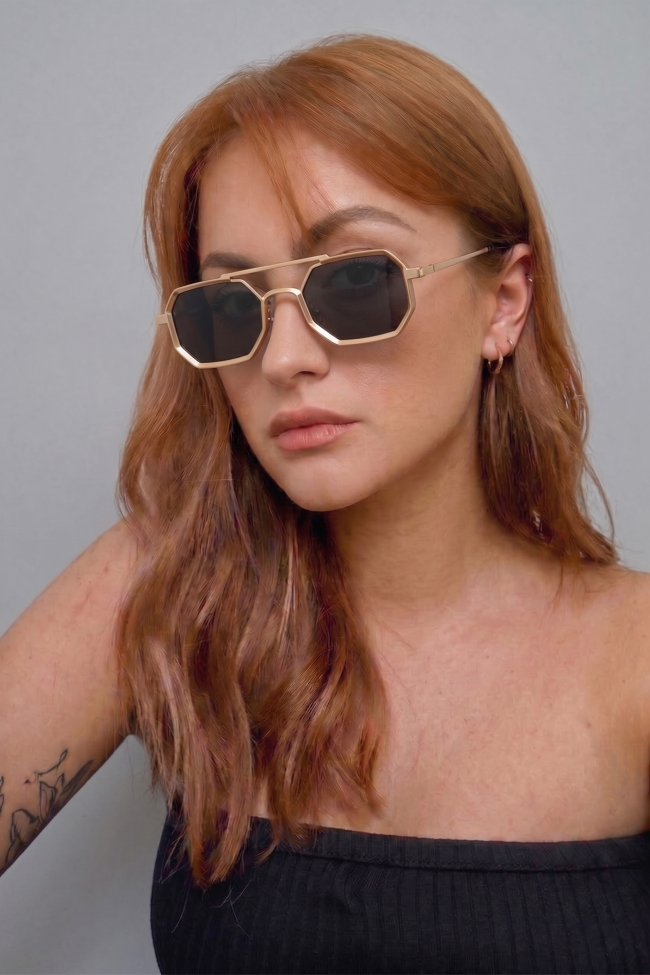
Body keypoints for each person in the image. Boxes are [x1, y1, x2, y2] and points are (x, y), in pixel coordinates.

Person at [1, 31, 650, 975]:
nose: (284, 357)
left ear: (504, 301)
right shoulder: (169, 590)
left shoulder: (634, 659)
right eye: (232, 304)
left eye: (353, 280)